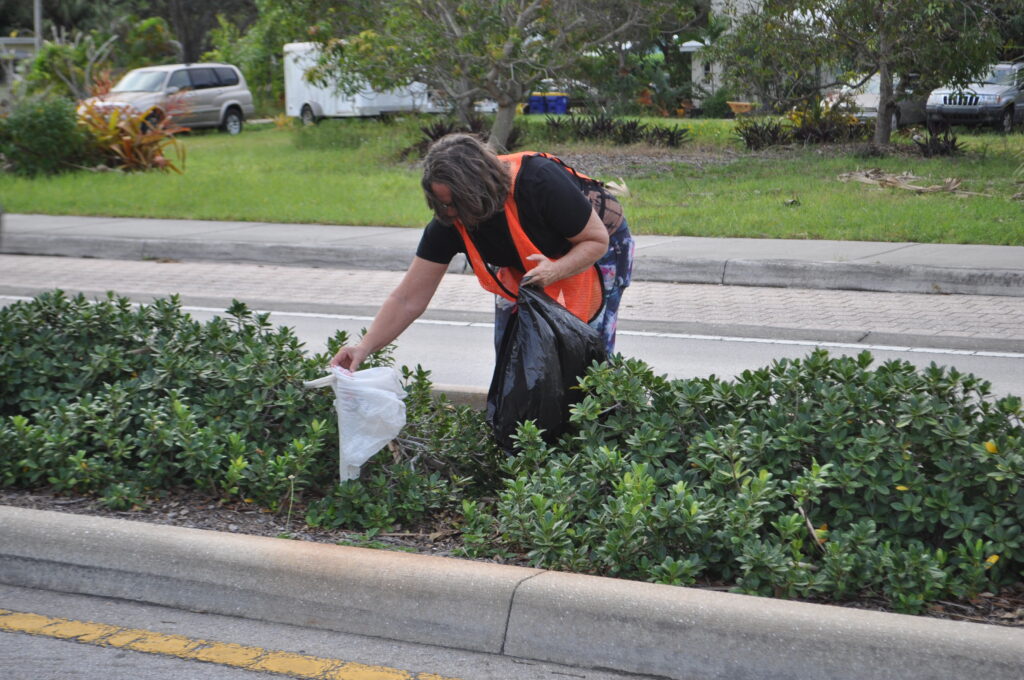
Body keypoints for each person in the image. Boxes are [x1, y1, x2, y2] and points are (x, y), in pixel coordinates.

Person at [330, 132, 634, 373]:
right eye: (441, 204)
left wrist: (556, 270)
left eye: (455, 204)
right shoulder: (448, 223)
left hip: (593, 250)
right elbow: (408, 298)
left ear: (481, 191)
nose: (449, 213)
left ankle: (595, 432)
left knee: (584, 351)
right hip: (529, 266)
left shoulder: (538, 181)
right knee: (516, 355)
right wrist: (364, 347)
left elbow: (594, 241)